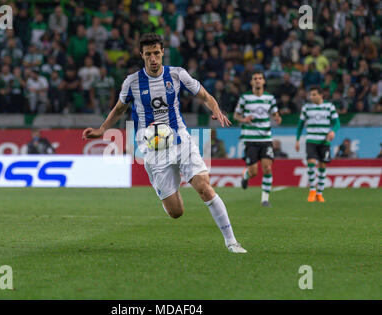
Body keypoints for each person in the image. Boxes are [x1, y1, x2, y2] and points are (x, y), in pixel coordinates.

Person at [83, 33, 246, 253]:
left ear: (162, 53)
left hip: (180, 140)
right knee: (176, 212)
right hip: (153, 150)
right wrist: (102, 129)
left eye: (156, 53)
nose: (153, 58)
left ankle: (231, 242)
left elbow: (205, 95)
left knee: (204, 188)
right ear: (142, 55)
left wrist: (215, 108)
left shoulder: (177, 75)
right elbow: (120, 108)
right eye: (148, 54)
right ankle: (169, 188)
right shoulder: (131, 82)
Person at [234, 71, 282, 207]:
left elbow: (275, 114)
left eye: (260, 78)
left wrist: (278, 118)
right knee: (253, 171)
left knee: (267, 168)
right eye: (255, 78)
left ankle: (265, 200)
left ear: (264, 81)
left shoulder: (270, 98)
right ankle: (246, 175)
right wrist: (244, 119)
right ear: (251, 82)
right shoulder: (245, 98)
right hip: (250, 139)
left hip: (266, 139)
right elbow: (236, 115)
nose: (257, 81)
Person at [295, 86, 340, 202]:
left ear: (321, 95)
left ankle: (319, 193)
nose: (312, 97)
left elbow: (337, 123)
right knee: (311, 163)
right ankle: (312, 191)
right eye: (311, 95)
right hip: (311, 140)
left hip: (324, 141)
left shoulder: (329, 106)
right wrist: (297, 139)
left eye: (314, 94)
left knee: (322, 166)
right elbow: (300, 124)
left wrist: (332, 131)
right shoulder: (306, 108)